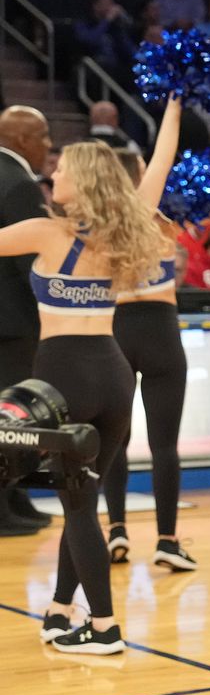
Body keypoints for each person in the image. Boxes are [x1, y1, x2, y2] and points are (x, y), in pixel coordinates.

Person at [0, 95, 181, 655]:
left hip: (62, 379)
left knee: (78, 506)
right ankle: (59, 611)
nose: (52, 172)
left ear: (82, 182)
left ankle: (103, 627)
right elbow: (160, 162)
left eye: (61, 169)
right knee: (82, 496)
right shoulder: (125, 230)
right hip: (113, 378)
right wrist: (173, 106)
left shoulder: (44, 233)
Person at [102, 132, 195, 572]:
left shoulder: (98, 222)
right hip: (160, 330)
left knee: (114, 442)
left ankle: (116, 529)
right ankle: (167, 540)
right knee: (164, 445)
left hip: (116, 329)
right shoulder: (162, 217)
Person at [0, 106, 54, 537]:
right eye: (44, 136)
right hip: (13, 323)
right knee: (10, 418)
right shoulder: (18, 184)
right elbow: (29, 265)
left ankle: (16, 499)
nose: (49, 146)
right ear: (21, 140)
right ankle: (4, 510)